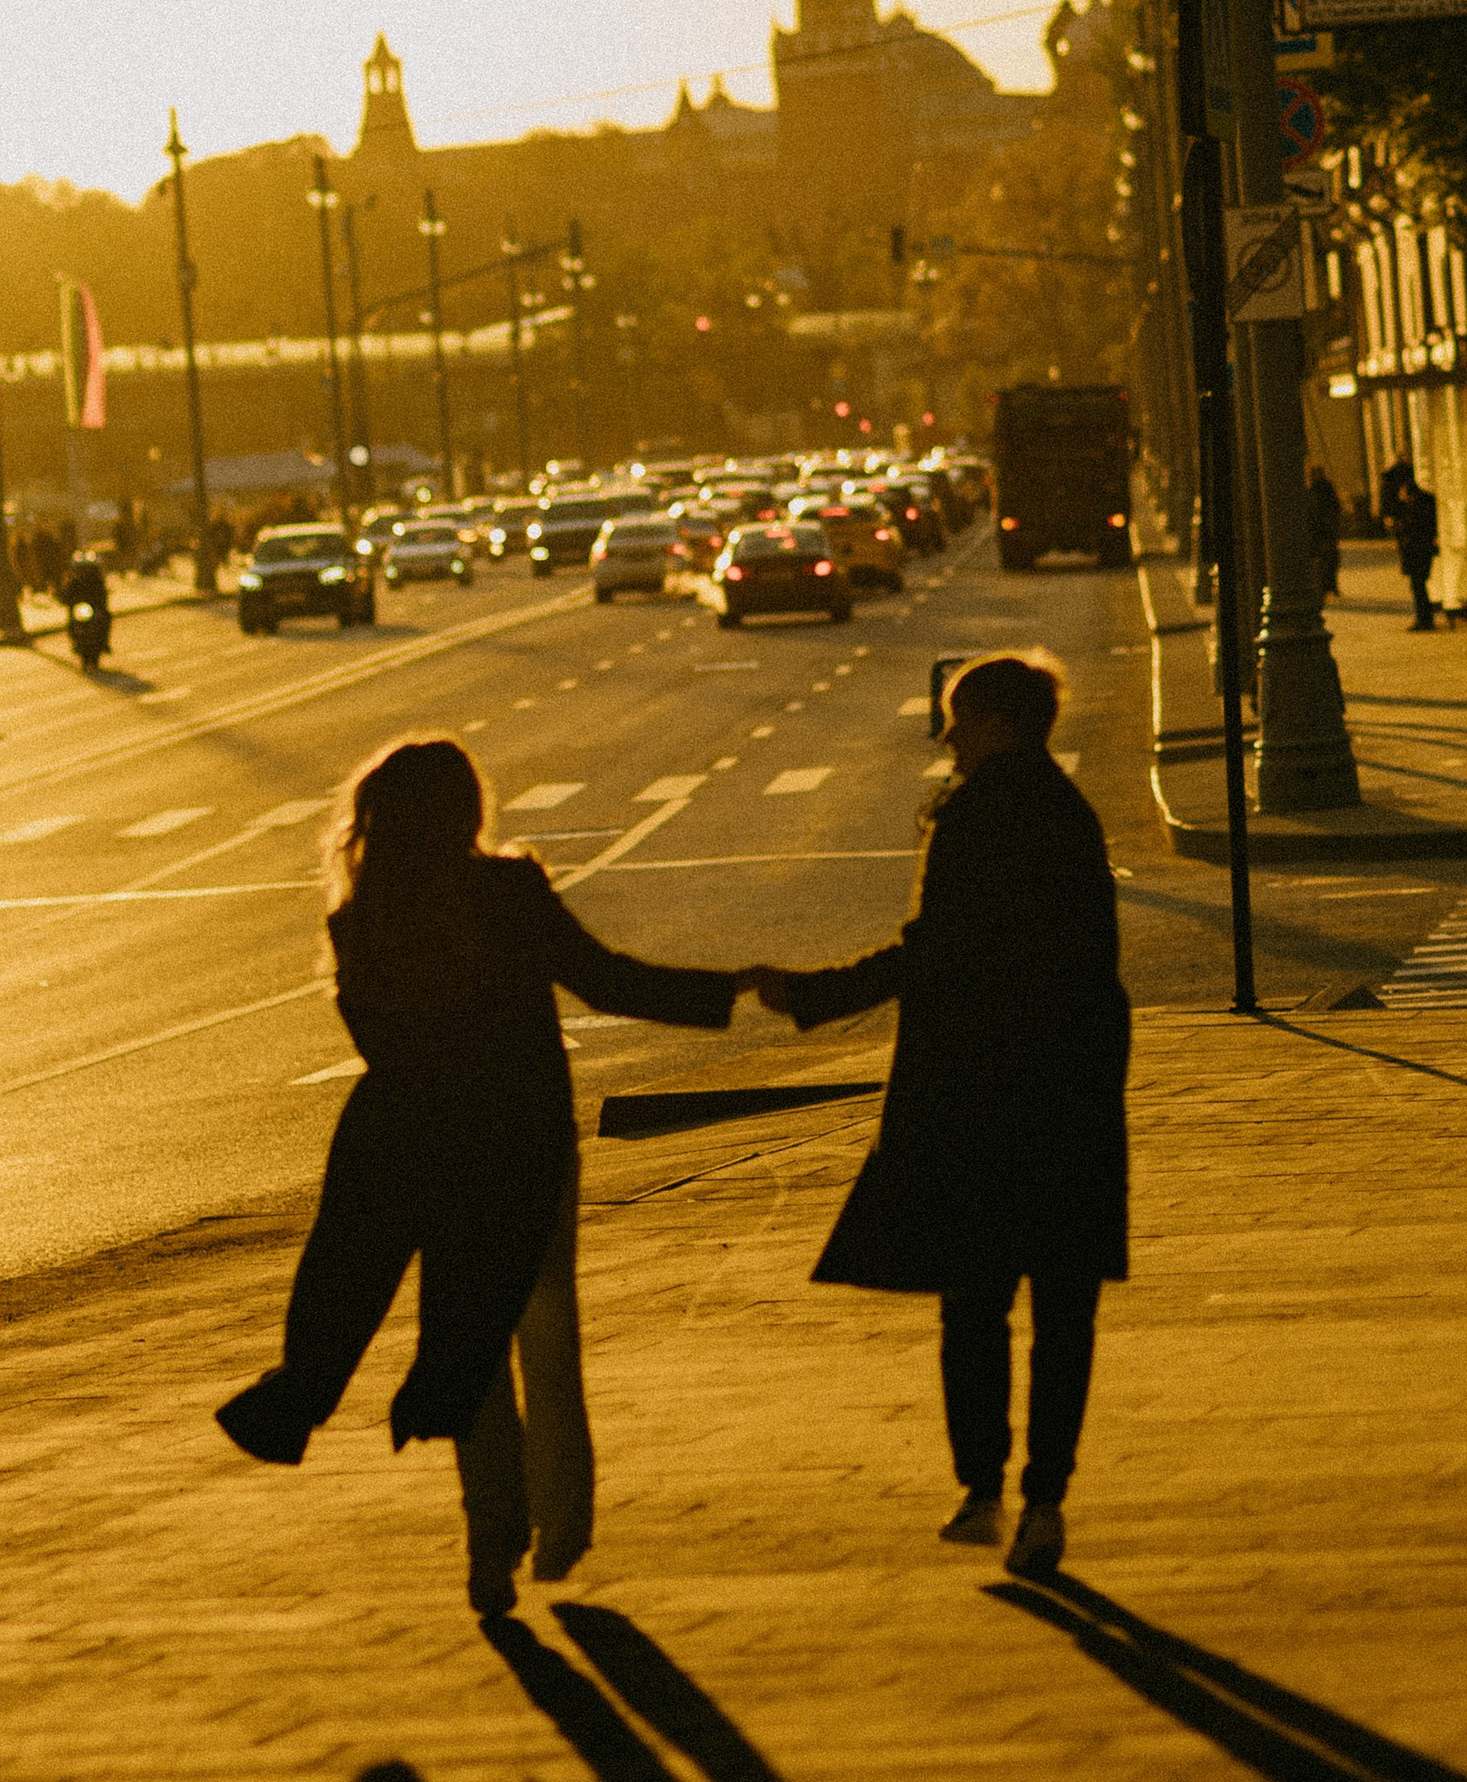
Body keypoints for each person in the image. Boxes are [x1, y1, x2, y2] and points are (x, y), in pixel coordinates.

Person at [215, 737, 740, 1615]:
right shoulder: (507, 890)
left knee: (467, 1344)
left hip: (418, 1147)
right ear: (467, 809)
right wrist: (729, 992)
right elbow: (604, 982)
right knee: (546, 1333)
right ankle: (564, 1529)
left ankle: (491, 1535)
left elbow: (377, 1043)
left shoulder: (361, 914)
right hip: (524, 1145)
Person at [747, 652, 1128, 1582]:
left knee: (977, 1300)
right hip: (1072, 1088)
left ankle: (983, 1489)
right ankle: (1044, 1496)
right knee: (1063, 1305)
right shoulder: (1071, 816)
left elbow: (935, 952)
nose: (947, 735)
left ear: (996, 722)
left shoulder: (976, 816)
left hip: (981, 1092)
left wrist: (816, 994)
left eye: (957, 718)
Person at [1382, 461, 1441, 630]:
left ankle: (1425, 619)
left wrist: (1402, 524)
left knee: (1418, 584)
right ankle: (1424, 617)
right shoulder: (1418, 500)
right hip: (1418, 548)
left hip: (1417, 549)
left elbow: (1416, 526)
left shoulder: (1417, 501)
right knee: (1417, 584)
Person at [1305, 463, 1343, 601]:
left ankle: (1326, 587)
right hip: (1325, 531)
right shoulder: (1325, 489)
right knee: (1328, 561)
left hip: (1321, 531)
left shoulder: (1315, 490)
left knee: (1325, 561)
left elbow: (1314, 512)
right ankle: (1329, 586)